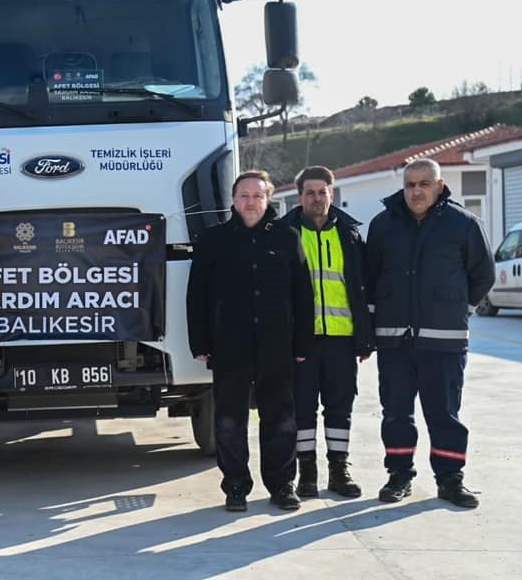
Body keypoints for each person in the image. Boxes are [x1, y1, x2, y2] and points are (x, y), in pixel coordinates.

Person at [366, 158, 495, 508]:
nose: (416, 191)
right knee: (395, 413)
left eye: (424, 184)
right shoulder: (383, 225)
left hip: (444, 341)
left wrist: (459, 310)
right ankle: (399, 476)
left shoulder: (463, 224)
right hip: (394, 341)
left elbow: (483, 274)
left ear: (439, 186)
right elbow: (370, 277)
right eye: (410, 185)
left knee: (444, 415)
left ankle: (450, 480)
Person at [186, 170, 314, 512]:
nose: (251, 202)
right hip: (229, 345)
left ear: (268, 198)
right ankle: (235, 487)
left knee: (281, 419)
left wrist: (303, 344)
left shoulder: (287, 237)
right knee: (229, 420)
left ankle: (282, 485)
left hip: (277, 346)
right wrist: (200, 342)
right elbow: (196, 295)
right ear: (233, 200)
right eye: (244, 195)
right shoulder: (213, 240)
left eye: (257, 195)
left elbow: (303, 294)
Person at [280, 166, 374, 499]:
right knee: (302, 409)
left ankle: (339, 470)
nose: (317, 198)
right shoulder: (285, 234)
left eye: (323, 192)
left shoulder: (350, 235)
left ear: (332, 194)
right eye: (310, 193)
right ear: (299, 196)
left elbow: (364, 289)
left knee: (339, 408)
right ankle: (307, 473)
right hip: (300, 342)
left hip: (342, 340)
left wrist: (365, 337)